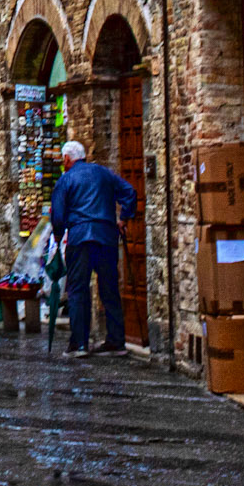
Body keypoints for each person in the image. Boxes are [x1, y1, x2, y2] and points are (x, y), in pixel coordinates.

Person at [49, 139, 137, 355]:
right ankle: (116, 341)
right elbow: (129, 192)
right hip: (106, 237)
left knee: (78, 289)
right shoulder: (103, 173)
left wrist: (58, 236)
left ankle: (80, 343)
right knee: (109, 288)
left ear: (67, 158)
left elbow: (58, 216)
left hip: (80, 239)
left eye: (63, 159)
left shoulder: (66, 179)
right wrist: (123, 219)